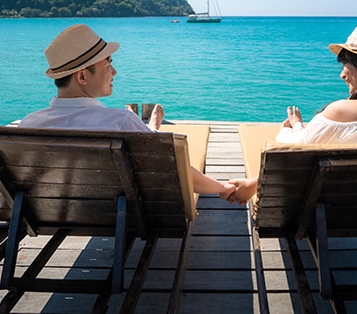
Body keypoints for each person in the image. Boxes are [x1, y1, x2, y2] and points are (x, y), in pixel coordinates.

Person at [19, 23, 236, 200]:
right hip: (117, 212)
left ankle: (150, 129)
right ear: (83, 77)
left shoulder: (28, 126)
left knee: (142, 132)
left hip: (57, 211)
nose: (114, 71)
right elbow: (176, 170)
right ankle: (150, 131)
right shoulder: (119, 122)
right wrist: (222, 188)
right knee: (145, 137)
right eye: (108, 65)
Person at [228, 22, 357, 204]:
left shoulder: (340, 112)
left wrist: (294, 127)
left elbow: (292, 156)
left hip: (331, 208)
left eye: (347, 64)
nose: (342, 74)